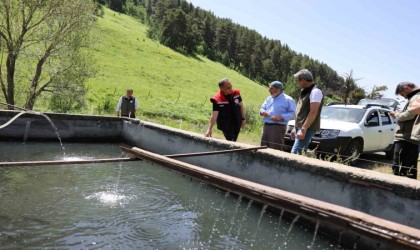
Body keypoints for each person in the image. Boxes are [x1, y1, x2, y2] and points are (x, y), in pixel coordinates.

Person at [390, 82, 420, 179]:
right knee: (408, 169)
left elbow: (409, 114)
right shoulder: (414, 96)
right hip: (408, 137)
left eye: (403, 94)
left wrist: (397, 114)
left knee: (403, 169)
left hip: (407, 137)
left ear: (406, 88)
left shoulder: (416, 97)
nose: (404, 97)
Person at [290, 69, 323, 154]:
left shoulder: (315, 91)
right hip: (301, 127)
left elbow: (313, 112)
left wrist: (303, 129)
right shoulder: (305, 91)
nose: (297, 82)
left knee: (295, 153)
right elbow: (300, 111)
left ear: (303, 80)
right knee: (298, 152)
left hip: (307, 128)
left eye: (298, 80)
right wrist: (295, 127)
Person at [259, 81, 296, 150]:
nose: (269, 90)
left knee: (275, 149)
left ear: (278, 90)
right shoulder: (269, 98)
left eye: (271, 88)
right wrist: (262, 112)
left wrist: (281, 117)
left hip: (278, 128)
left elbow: (293, 114)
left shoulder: (288, 100)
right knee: (262, 147)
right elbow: (262, 108)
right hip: (266, 126)